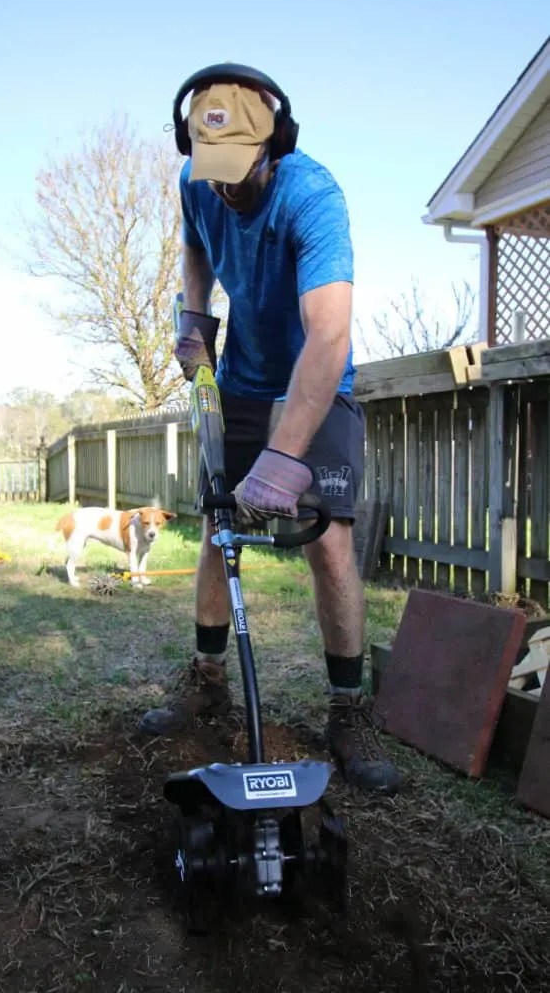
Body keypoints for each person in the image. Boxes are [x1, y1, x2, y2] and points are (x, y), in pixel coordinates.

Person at [140, 63, 402, 794]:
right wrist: (193, 313)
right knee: (218, 530)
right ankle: (205, 679)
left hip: (315, 382)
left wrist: (286, 455)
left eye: (237, 167)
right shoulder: (198, 181)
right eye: (209, 167)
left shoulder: (312, 197)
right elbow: (195, 243)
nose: (222, 185)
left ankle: (348, 711)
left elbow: (328, 337)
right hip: (240, 383)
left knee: (329, 540)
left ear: (274, 143)